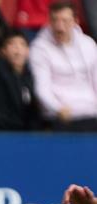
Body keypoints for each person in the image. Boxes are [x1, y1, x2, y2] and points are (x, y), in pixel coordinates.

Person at [29, 0, 97, 131]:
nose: (60, 27)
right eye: (55, 20)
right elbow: (41, 87)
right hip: (61, 116)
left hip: (91, 112)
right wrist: (57, 108)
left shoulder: (89, 44)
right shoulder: (39, 48)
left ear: (75, 21)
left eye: (65, 21)